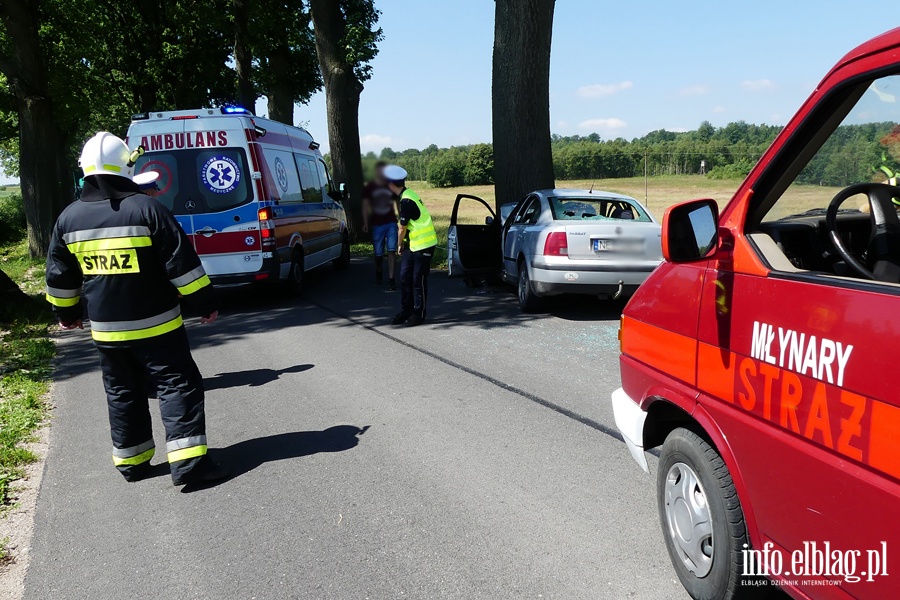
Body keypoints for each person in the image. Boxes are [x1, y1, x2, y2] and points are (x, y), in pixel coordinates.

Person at [45, 132, 227, 487]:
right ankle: (190, 466)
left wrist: (66, 315)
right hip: (158, 327)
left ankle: (132, 462)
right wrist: (204, 304)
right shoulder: (147, 209)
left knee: (122, 392)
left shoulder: (68, 218)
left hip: (106, 333)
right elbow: (182, 266)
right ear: (127, 167)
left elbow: (59, 277)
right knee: (178, 386)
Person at [384, 165, 438, 326]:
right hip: (413, 245)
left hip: (424, 245)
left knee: (417, 280)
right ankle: (406, 310)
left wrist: (399, 245)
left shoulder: (407, 200)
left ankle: (418, 313)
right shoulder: (407, 195)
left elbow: (402, 228)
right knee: (404, 278)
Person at [362, 161, 399, 289]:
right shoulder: (370, 187)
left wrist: (400, 216)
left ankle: (391, 279)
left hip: (391, 222)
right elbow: (365, 205)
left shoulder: (390, 185)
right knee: (378, 254)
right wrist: (366, 222)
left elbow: (397, 200)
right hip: (377, 224)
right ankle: (379, 269)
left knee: (391, 251)